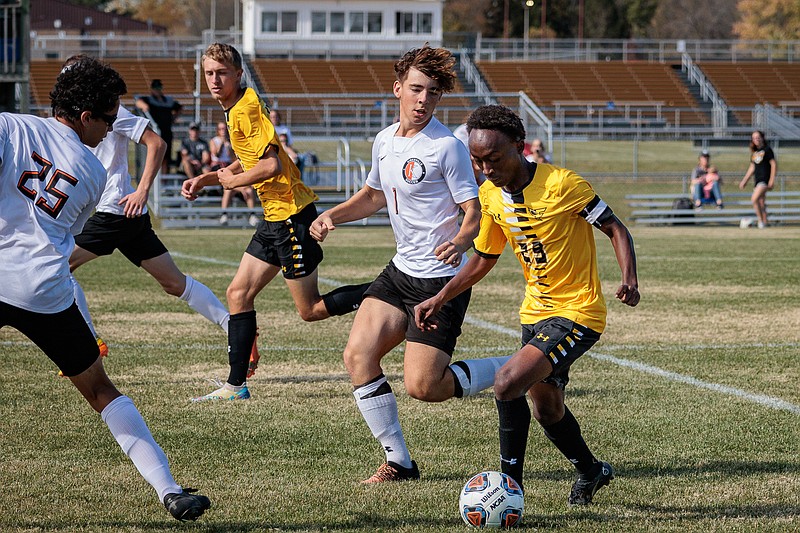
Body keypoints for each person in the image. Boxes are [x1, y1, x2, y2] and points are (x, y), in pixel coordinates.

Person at [0, 56, 210, 521]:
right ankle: (169, 489)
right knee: (99, 389)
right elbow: (65, 234)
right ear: (84, 116)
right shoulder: (92, 175)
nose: (111, 129)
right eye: (107, 119)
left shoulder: (9, 126)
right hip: (43, 290)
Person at [414, 105, 640, 505]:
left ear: (520, 148)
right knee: (547, 410)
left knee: (506, 384)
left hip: (578, 312)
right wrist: (440, 296)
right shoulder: (490, 197)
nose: (486, 168)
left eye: (494, 159)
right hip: (534, 313)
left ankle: (508, 490)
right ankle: (591, 471)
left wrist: (629, 279)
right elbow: (484, 258)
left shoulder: (563, 184)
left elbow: (614, 228)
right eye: (478, 160)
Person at [310, 45, 512, 484]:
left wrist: (460, 241)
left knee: (425, 387)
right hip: (400, 272)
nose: (423, 100)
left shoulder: (447, 147)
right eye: (417, 89)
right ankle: (399, 462)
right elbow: (374, 196)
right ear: (398, 88)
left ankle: (517, 369)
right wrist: (330, 215)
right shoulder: (384, 141)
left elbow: (472, 211)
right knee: (358, 356)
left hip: (439, 281)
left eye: (433, 93)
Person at [182, 42, 371, 401]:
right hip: (274, 219)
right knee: (238, 293)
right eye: (209, 73)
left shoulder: (246, 108)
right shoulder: (236, 107)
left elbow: (272, 166)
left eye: (222, 72)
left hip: (291, 217)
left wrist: (233, 183)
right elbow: (250, 159)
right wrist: (208, 179)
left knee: (310, 310)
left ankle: (388, 292)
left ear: (238, 74)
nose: (215, 79)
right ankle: (235, 386)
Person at [65, 57, 259, 381]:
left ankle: (91, 343)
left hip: (114, 210)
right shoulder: (75, 116)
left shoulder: (111, 110)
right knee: (174, 283)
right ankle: (236, 329)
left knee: (58, 265)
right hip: (124, 214)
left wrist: (142, 191)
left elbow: (157, 143)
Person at [212, 121, 259, 227]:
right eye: (221, 129)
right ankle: (224, 215)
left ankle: (252, 215)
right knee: (228, 189)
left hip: (231, 169)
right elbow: (216, 154)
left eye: (225, 129)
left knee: (249, 189)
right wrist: (222, 143)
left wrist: (229, 148)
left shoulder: (231, 142)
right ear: (217, 131)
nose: (223, 131)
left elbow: (234, 159)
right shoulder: (214, 141)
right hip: (220, 168)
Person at [135, 79, 182, 173]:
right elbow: (138, 102)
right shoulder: (149, 100)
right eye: (155, 88)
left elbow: (178, 107)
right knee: (155, 156)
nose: (157, 90)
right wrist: (144, 107)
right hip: (155, 131)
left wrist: (173, 119)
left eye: (159, 88)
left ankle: (163, 180)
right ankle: (155, 179)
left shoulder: (167, 101)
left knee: (166, 157)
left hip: (167, 131)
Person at [739, 130, 777, 229]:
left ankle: (760, 221)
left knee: (754, 199)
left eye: (758, 137)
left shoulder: (767, 150)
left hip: (764, 180)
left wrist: (772, 180)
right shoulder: (754, 152)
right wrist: (744, 181)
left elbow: (773, 164)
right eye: (754, 138)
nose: (756, 139)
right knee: (761, 202)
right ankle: (765, 222)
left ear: (762, 138)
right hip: (757, 180)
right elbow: (752, 168)